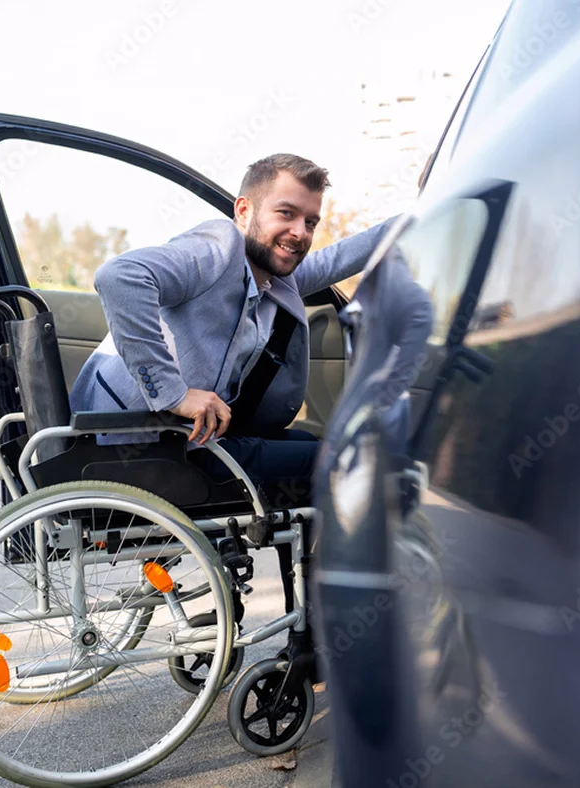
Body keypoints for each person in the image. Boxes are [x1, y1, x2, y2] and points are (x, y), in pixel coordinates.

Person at [70, 153, 396, 613]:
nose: (300, 232)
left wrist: (418, 217)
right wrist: (174, 393)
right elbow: (120, 277)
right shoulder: (218, 246)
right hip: (143, 448)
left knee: (314, 443)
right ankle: (339, 611)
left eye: (310, 220)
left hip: (180, 442)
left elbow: (336, 258)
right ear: (244, 211)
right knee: (346, 459)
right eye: (285, 213)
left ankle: (317, 609)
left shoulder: (268, 277)